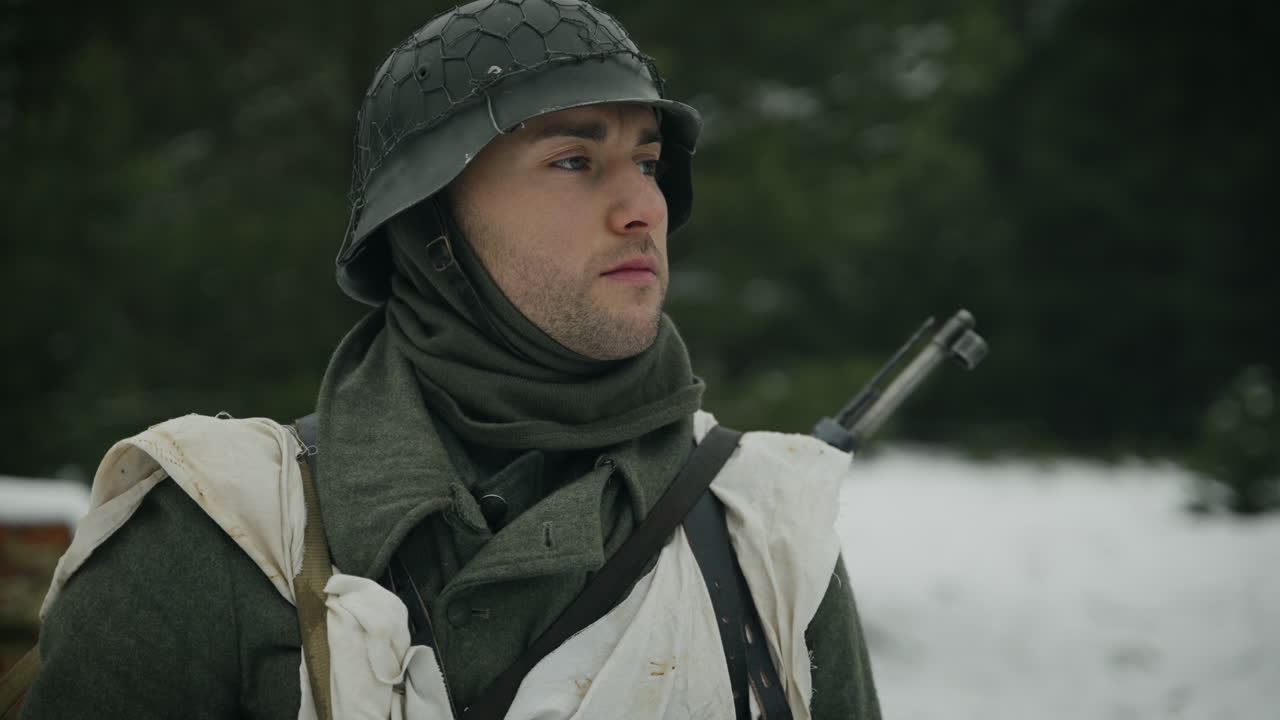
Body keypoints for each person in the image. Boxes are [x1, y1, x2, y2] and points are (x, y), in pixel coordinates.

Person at [19, 0, 880, 717]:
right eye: (574, 160)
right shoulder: (223, 532)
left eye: (647, 162)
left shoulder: (763, 533)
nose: (641, 210)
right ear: (429, 226)